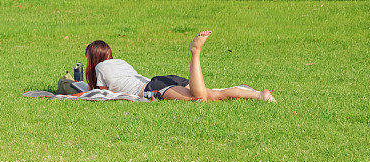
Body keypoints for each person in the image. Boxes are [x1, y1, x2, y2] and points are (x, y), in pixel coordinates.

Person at [85, 31, 276, 102]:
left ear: (93, 58)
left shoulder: (99, 69)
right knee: (211, 95)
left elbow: (103, 94)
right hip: (162, 80)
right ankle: (259, 95)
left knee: (199, 98)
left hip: (152, 88)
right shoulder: (121, 62)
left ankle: (195, 53)